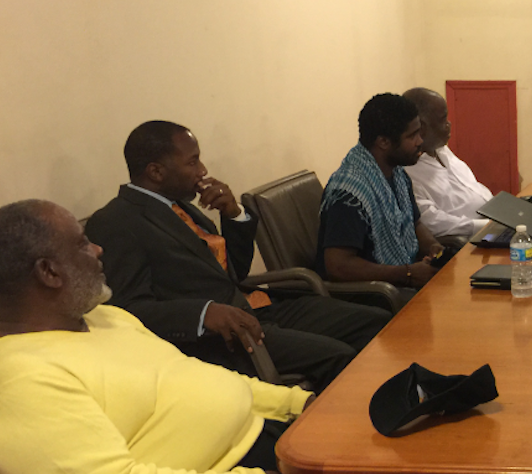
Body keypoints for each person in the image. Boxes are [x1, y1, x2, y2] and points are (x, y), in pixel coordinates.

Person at [0, 200, 456, 474]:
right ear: (48, 273)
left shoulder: (104, 319)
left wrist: (301, 406)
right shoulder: (20, 379)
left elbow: (206, 383)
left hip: (244, 469)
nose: (98, 249)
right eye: (81, 243)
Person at [86, 121, 391, 390]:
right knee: (337, 355)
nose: (203, 171)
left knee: (376, 321)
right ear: (156, 171)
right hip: (222, 335)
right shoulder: (116, 222)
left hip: (257, 307)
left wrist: (233, 214)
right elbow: (127, 309)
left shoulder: (179, 205)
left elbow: (235, 272)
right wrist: (204, 313)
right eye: (192, 162)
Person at [317, 93, 446, 289]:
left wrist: (432, 246)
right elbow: (338, 265)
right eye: (412, 136)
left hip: (398, 283)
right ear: (383, 142)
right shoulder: (349, 194)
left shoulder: (398, 174)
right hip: (370, 295)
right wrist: (407, 273)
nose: (420, 141)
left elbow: (415, 222)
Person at [400, 87, 493, 246]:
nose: (449, 124)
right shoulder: (408, 173)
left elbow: (471, 187)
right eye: (443, 119)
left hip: (493, 219)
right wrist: (487, 226)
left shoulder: (441, 150)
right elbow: (432, 222)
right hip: (474, 238)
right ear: (421, 127)